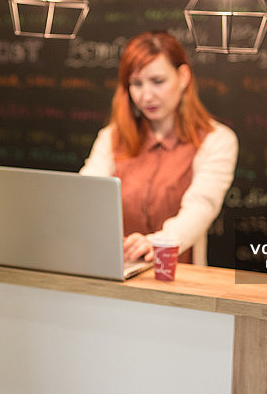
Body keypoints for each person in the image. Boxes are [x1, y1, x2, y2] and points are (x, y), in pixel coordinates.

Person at [80, 31, 237, 266]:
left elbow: (200, 207)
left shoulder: (217, 140)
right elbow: (86, 193)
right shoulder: (112, 137)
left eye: (157, 81)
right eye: (136, 84)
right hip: (115, 269)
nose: (146, 96)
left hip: (176, 276)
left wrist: (156, 243)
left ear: (183, 76)